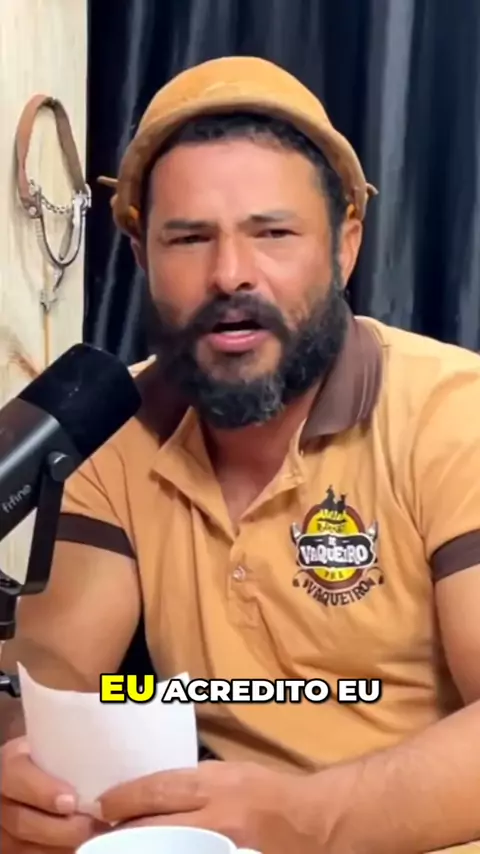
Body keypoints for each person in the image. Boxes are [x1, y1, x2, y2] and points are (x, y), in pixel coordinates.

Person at [2, 55, 480, 854]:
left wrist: (309, 818)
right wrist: (24, 767)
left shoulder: (455, 415)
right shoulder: (110, 429)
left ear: (346, 245)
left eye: (273, 234)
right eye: (189, 239)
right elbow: (57, 682)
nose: (229, 275)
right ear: (141, 255)